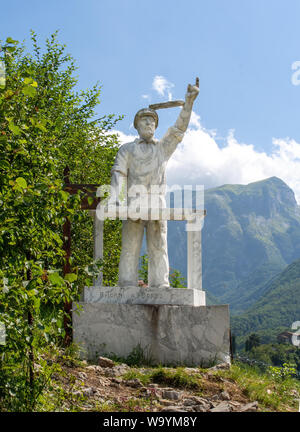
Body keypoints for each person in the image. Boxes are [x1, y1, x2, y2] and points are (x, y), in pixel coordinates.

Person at [110, 80, 199, 288]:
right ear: (137, 126)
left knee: (159, 245)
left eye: (152, 121)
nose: (149, 124)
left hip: (157, 205)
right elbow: (119, 173)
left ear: (156, 126)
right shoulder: (126, 150)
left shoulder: (162, 149)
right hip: (133, 205)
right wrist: (115, 199)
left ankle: (160, 283)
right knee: (130, 246)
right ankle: (126, 283)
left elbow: (178, 130)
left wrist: (189, 102)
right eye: (144, 121)